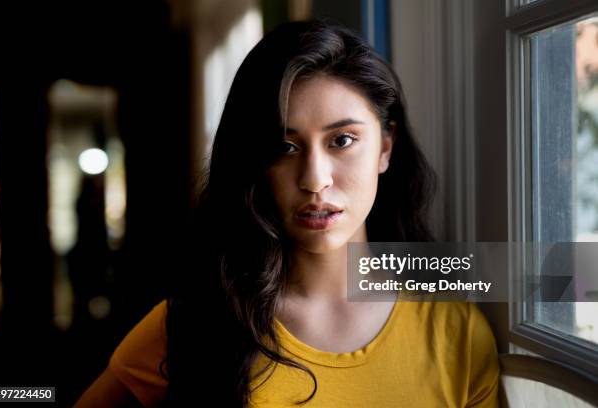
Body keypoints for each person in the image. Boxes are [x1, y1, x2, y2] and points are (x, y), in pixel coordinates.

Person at [75, 19, 500, 407]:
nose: (314, 179)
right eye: (285, 147)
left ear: (385, 147)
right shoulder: (198, 321)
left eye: (342, 140)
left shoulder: (456, 335)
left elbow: (563, 278)